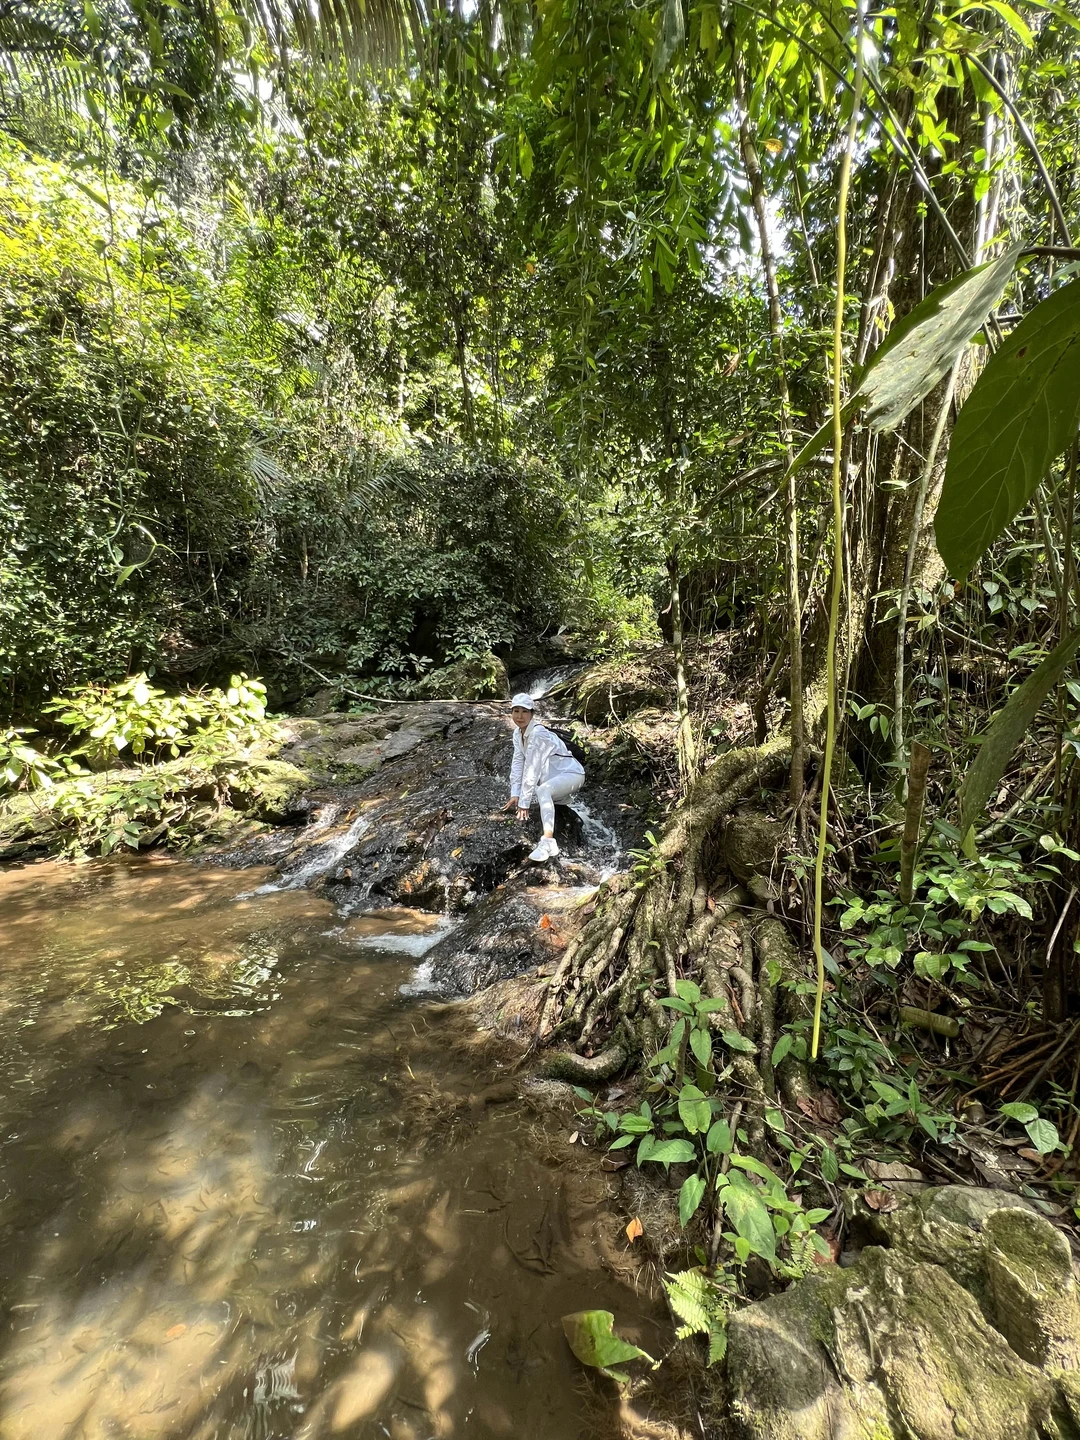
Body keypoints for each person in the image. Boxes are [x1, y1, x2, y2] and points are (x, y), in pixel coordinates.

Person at [505, 692, 584, 862]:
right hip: (555, 779)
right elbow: (518, 763)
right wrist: (515, 793)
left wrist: (524, 804)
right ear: (511, 713)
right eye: (516, 711)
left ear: (532, 714)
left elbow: (532, 768)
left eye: (525, 711)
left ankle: (548, 842)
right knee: (540, 791)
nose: (520, 716)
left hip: (572, 774)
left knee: (542, 791)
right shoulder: (517, 734)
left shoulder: (538, 733)